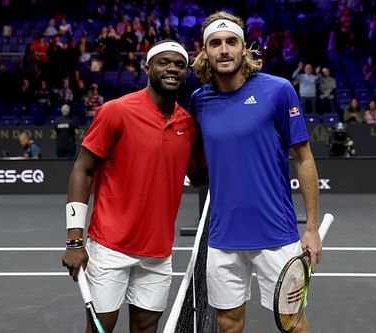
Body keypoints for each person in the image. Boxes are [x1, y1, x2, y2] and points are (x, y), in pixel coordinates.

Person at [61, 40, 206, 333]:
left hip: (158, 250)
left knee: (147, 326)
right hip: (109, 246)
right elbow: (83, 169)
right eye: (164, 62)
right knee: (101, 326)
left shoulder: (188, 124)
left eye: (179, 65)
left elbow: (202, 176)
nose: (172, 69)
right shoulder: (116, 111)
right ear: (147, 67)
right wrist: (75, 241)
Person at [190, 11, 322, 333]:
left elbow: (303, 158)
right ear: (205, 51)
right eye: (216, 43)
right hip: (223, 237)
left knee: (294, 324)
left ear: (243, 47)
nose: (224, 50)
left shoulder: (278, 91)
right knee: (228, 323)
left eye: (231, 42)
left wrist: (312, 228)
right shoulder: (198, 101)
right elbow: (197, 165)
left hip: (276, 235)